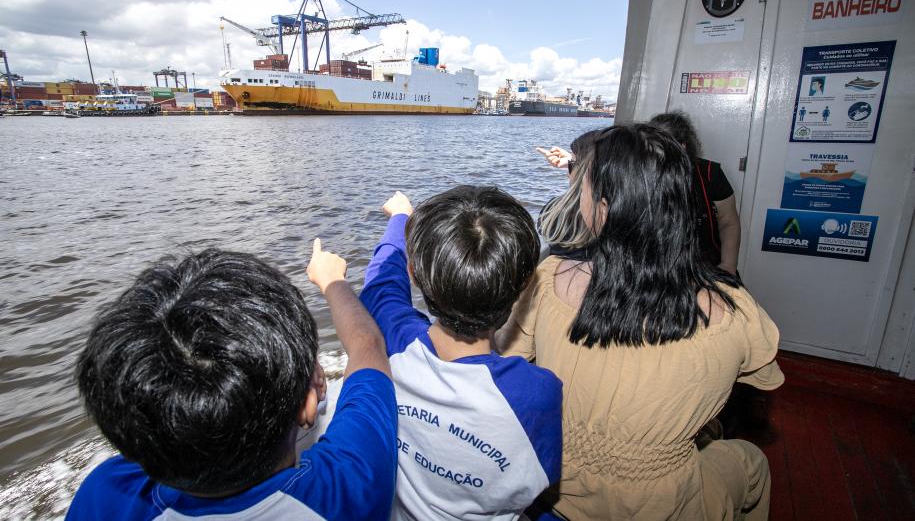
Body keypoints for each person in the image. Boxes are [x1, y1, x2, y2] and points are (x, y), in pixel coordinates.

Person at [499, 124, 784, 520]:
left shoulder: (548, 282)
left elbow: (508, 356)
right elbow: (762, 376)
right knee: (751, 461)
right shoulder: (734, 309)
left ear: (602, 208)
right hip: (662, 502)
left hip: (558, 484)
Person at [68, 246, 397, 520]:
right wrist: (331, 280)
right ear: (309, 405)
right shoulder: (351, 487)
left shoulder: (103, 494)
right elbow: (368, 346)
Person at [360, 187, 563, 520]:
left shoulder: (396, 341)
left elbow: (381, 282)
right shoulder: (536, 391)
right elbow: (542, 478)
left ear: (414, 274)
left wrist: (400, 218)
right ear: (527, 283)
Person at [649, 111, 741, 274]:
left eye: (660, 147)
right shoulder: (639, 175)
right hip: (657, 270)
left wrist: (728, 265)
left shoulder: (710, 174)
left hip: (707, 266)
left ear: (682, 146)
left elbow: (728, 222)